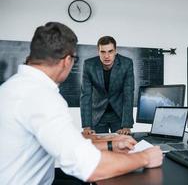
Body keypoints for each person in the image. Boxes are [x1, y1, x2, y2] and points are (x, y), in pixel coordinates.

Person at [0, 22, 163, 184]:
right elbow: (90, 167)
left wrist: (112, 143)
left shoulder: (12, 87)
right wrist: (145, 157)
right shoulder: (43, 97)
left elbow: (64, 142)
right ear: (67, 61)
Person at [80, 36, 134, 135]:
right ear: (98, 52)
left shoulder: (126, 64)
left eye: (110, 51)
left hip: (119, 114)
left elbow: (128, 94)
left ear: (115, 51)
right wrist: (86, 126)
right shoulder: (89, 65)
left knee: (122, 146)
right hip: (97, 114)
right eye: (103, 52)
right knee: (97, 147)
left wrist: (126, 125)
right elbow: (85, 96)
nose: (107, 56)